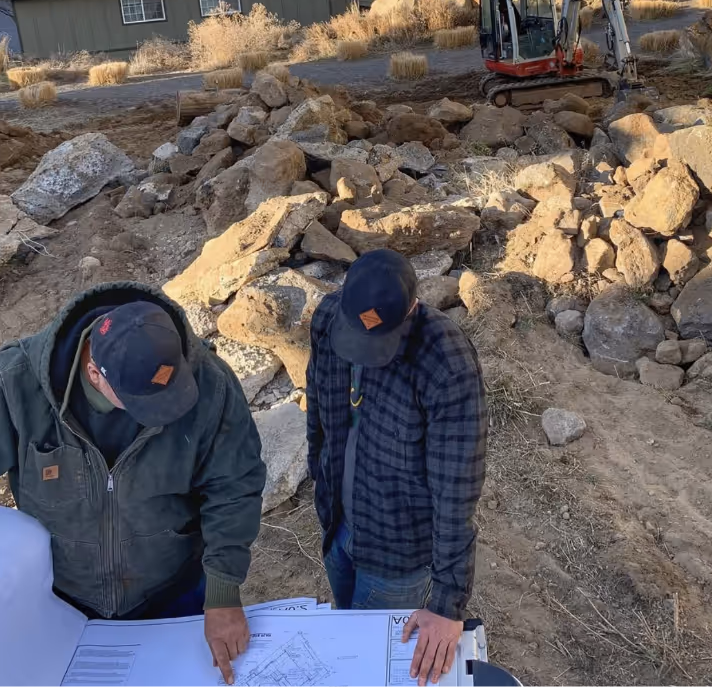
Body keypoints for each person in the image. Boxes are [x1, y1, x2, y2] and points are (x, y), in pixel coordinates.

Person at [0, 283, 265, 686]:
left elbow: (234, 487)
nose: (160, 418)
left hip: (172, 589)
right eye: (145, 404)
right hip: (62, 604)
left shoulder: (211, 383)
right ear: (94, 373)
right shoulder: (16, 384)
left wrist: (223, 594)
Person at [306, 250, 487, 687]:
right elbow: (318, 414)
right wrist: (320, 481)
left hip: (397, 554)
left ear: (412, 310)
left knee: (372, 670)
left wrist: (446, 605)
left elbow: (456, 493)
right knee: (345, 631)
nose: (366, 357)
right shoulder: (329, 317)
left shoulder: (446, 363)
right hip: (338, 525)